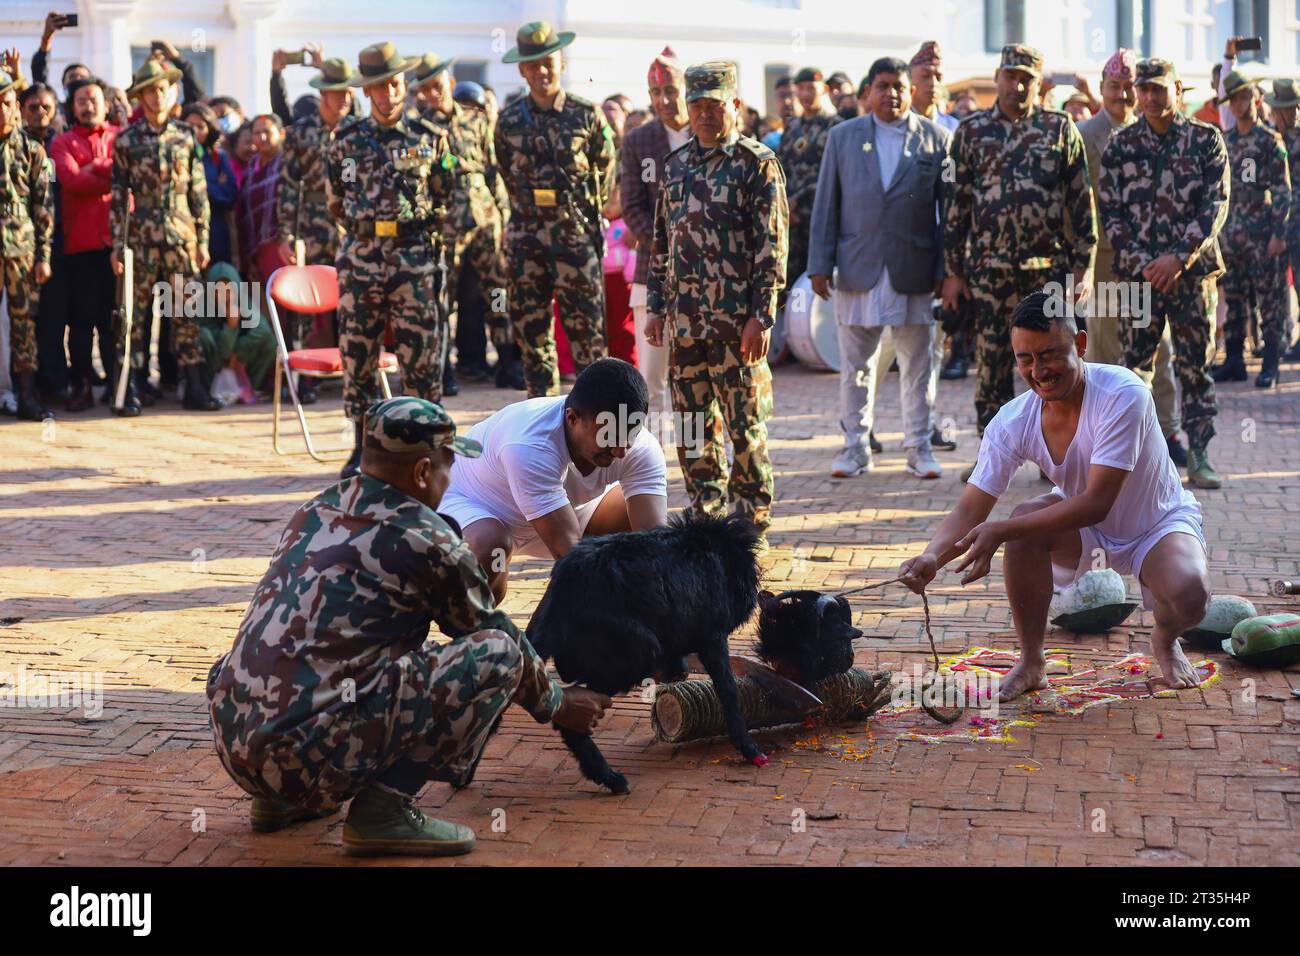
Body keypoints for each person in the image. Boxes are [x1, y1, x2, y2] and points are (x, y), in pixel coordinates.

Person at [207, 397, 611, 855]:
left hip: (236, 745)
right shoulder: (429, 540)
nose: (450, 476)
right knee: (496, 654)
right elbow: (499, 641)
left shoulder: (315, 509)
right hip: (305, 754)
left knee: (279, 658)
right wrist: (559, 703)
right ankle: (384, 809)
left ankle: (278, 801)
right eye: (447, 465)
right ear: (421, 473)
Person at [899, 291, 1211, 699]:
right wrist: (932, 556)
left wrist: (1000, 530)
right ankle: (1031, 662)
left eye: (1049, 355)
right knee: (1025, 525)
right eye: (1025, 359)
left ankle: (1166, 640)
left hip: (1155, 524)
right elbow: (971, 506)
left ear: (1080, 345)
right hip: (1082, 529)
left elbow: (1098, 501)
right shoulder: (1013, 420)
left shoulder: (1124, 393)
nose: (1038, 371)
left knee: (1191, 596)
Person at [645, 60, 787, 551]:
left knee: (746, 426)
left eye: (715, 105)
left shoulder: (757, 163)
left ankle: (751, 531)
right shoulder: (676, 165)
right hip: (685, 326)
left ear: (736, 106)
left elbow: (772, 245)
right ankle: (706, 524)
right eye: (697, 105)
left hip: (736, 325)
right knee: (691, 426)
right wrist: (655, 307)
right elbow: (661, 240)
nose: (705, 115)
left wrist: (761, 314)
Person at [942, 44, 1096, 474]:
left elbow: (1081, 204)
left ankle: (1056, 457)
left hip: (1046, 275)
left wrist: (1083, 267)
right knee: (991, 365)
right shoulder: (970, 133)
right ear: (998, 77)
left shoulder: (1060, 129)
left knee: (1051, 366)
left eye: (1027, 77)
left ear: (1039, 82)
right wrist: (953, 273)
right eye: (1011, 75)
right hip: (988, 275)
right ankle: (992, 459)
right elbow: (956, 207)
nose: (1018, 84)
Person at [809, 56, 948, 482]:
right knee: (856, 366)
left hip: (914, 269)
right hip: (858, 267)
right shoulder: (843, 137)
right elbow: (826, 203)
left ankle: (919, 449)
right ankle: (855, 449)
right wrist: (819, 263)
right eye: (883, 86)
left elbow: (950, 212)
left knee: (918, 366)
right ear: (868, 92)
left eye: (899, 86)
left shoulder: (936, 139)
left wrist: (947, 269)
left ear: (911, 92)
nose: (891, 94)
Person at [1097, 58, 1227, 489]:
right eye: (1143, 89)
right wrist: (1143, 264)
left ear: (1177, 89)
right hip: (1139, 280)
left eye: (1158, 88)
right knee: (1133, 369)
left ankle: (1199, 453)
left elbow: (1215, 207)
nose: (1150, 97)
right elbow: (1110, 213)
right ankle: (1133, 459)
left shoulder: (1205, 140)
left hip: (1191, 278)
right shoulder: (1120, 146)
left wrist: (1177, 258)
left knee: (1195, 367)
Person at [327, 42, 454, 477]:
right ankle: (364, 448)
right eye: (378, 88)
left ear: (405, 84)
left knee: (420, 356)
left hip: (414, 258)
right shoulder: (344, 142)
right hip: (361, 259)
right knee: (357, 354)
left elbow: (446, 196)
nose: (387, 94)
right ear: (366, 92)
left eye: (394, 84)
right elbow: (336, 201)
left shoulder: (431, 138)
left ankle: (428, 444)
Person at [443, 358, 667, 602]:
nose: (621, 450)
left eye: (630, 435)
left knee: (643, 541)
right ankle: (475, 634)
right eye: (609, 437)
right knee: (491, 546)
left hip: (561, 513)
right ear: (572, 419)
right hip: (479, 507)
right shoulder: (528, 445)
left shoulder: (642, 447)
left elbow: (655, 544)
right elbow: (571, 557)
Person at [1077, 49, 1187, 467]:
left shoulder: (1153, 134)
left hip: (1148, 263)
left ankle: (1167, 431)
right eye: (1114, 87)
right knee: (1103, 349)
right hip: (1105, 260)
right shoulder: (1085, 134)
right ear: (1101, 89)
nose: (1122, 96)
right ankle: (1102, 442)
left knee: (1156, 343)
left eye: (1129, 88)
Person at [495, 21, 616, 397]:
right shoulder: (509, 119)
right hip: (526, 237)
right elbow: (504, 169)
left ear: (561, 63)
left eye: (548, 62)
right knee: (532, 334)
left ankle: (594, 418)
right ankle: (542, 416)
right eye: (533, 65)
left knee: (588, 335)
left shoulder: (586, 114)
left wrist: (580, 210)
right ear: (522, 70)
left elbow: (605, 168)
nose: (542, 71)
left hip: (574, 236)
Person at [109, 60, 215, 415]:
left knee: (186, 312)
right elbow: (119, 198)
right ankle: (131, 387)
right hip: (139, 239)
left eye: (163, 88)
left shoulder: (186, 135)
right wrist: (117, 245)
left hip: (181, 235)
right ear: (139, 96)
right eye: (151, 90)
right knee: (136, 315)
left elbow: (199, 192)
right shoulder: (126, 141)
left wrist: (202, 240)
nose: (158, 96)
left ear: (172, 93)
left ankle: (194, 386)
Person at [409, 53, 511, 393]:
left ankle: (508, 360)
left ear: (450, 84)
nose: (432, 96)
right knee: (443, 298)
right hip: (445, 223)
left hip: (485, 219)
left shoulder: (475, 120)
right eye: (424, 90)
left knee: (497, 292)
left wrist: (504, 216)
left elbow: (493, 169)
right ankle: (443, 370)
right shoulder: (418, 129)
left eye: (436, 87)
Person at [275, 56, 355, 400]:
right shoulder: (301, 133)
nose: (344, 100)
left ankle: (352, 371)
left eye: (348, 94)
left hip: (352, 229)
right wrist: (286, 234)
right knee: (307, 303)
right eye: (338, 94)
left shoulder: (358, 131)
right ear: (323, 95)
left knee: (352, 300)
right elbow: (289, 185)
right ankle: (305, 378)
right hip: (311, 227)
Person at [621, 46, 690, 425]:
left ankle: (701, 450)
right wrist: (669, 245)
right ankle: (648, 458)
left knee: (701, 374)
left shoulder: (708, 130)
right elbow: (631, 206)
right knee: (650, 376)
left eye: (672, 91)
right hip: (653, 271)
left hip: (709, 276)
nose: (665, 101)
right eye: (656, 94)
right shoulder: (638, 141)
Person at [1213, 69, 1290, 389]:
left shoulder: (1269, 140)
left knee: (1269, 299)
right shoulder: (1226, 141)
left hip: (1261, 234)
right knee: (1233, 299)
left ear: (1255, 100)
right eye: (1234, 99)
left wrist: (1278, 234)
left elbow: (1283, 191)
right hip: (1231, 234)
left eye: (1244, 97)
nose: (1239, 103)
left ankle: (1270, 363)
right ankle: (1234, 360)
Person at [50, 77, 118, 412]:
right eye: (80, 100)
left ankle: (120, 385)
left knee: (115, 320)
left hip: (118, 245)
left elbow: (126, 176)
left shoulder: (121, 138)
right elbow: (72, 181)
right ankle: (82, 386)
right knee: (81, 323)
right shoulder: (62, 143)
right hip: (80, 246)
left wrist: (97, 166)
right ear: (72, 106)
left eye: (93, 99)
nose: (88, 106)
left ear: (105, 103)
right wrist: (107, 175)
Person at [0, 71, 55, 421]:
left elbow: (44, 207)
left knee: (24, 324)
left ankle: (27, 396)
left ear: (16, 107)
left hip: (21, 249)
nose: (2, 112)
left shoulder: (34, 150)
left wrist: (44, 256)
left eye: (6, 104)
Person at [776, 67, 840, 301]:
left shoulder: (837, 127)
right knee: (791, 284)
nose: (805, 94)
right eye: (800, 89)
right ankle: (792, 336)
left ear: (823, 89)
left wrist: (797, 199)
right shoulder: (791, 128)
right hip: (792, 220)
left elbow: (833, 175)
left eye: (810, 88)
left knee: (821, 284)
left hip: (821, 217)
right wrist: (784, 205)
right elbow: (780, 168)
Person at [197, 261, 277, 395]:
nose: (225, 296)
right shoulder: (205, 308)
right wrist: (231, 326)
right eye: (219, 291)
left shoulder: (243, 301)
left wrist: (239, 352)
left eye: (229, 290)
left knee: (269, 342)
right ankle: (207, 390)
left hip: (238, 360)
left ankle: (249, 387)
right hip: (216, 363)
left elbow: (263, 330)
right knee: (203, 335)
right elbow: (222, 355)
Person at [1264, 77, 1300, 361]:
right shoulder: (1274, 139)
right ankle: (1283, 337)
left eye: (1283, 109)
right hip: (1281, 226)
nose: (1278, 114)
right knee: (1282, 287)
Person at [182, 103, 238, 270]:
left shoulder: (217, 157)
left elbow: (230, 194)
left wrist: (202, 187)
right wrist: (213, 184)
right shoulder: (175, 156)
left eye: (200, 126)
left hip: (216, 231)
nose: (194, 131)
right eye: (189, 125)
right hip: (185, 229)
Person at [236, 114, 288, 285]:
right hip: (256, 250)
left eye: (267, 131)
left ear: (281, 134)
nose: (262, 137)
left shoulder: (289, 164)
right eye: (257, 133)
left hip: (282, 246)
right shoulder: (249, 169)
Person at [909, 41, 959, 133]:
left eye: (938, 77)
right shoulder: (896, 124)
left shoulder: (954, 127)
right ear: (910, 81)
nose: (933, 83)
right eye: (925, 76)